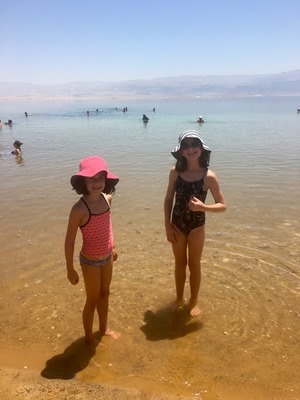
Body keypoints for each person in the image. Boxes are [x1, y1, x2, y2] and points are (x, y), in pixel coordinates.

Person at [164, 130, 227, 318]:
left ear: (201, 148)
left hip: (197, 227)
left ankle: (193, 302)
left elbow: (223, 205)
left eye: (194, 144)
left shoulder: (209, 176)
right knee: (179, 264)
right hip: (177, 225)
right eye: (186, 145)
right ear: (181, 151)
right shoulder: (175, 172)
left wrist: (203, 207)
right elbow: (168, 200)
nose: (191, 149)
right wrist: (167, 225)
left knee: (195, 265)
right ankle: (179, 299)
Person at [64, 155, 120, 347]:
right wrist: (70, 268)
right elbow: (69, 241)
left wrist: (113, 245)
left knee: (105, 293)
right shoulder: (79, 209)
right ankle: (88, 337)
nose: (97, 183)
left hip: (107, 258)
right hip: (89, 261)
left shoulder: (107, 199)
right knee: (92, 299)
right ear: (83, 182)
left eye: (100, 178)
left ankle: (104, 329)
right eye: (91, 179)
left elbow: (108, 224)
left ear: (106, 180)